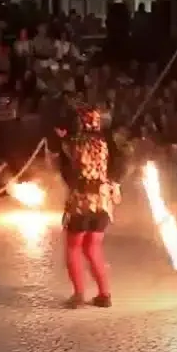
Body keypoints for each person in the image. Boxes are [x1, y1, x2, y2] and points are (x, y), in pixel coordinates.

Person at [57, 104, 124, 309]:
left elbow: (66, 172)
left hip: (81, 201)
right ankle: (104, 294)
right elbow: (120, 164)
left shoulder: (72, 143)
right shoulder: (107, 141)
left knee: (74, 247)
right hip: (103, 201)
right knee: (93, 247)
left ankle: (78, 295)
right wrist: (114, 183)